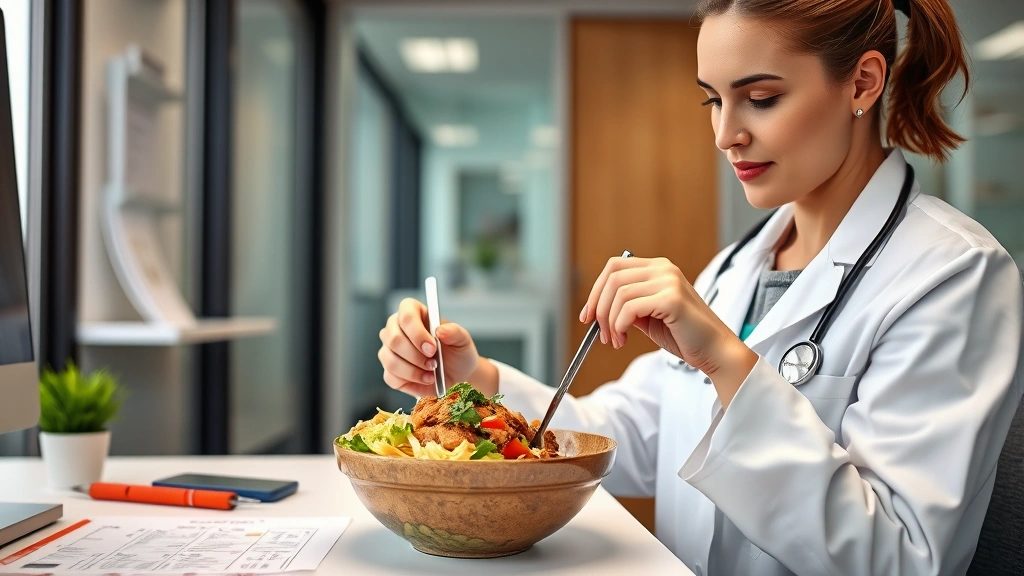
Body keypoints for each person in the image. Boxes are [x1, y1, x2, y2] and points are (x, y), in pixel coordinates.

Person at [377, 0, 1024, 574]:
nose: (724, 134)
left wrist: (728, 363)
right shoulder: (738, 267)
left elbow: (902, 558)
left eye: (761, 98)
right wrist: (481, 383)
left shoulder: (953, 274)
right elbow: (629, 439)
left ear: (862, 82)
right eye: (713, 99)